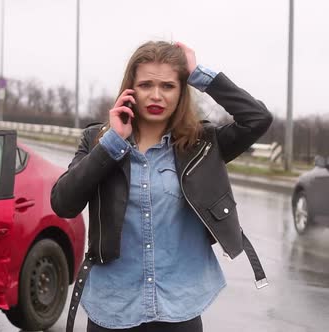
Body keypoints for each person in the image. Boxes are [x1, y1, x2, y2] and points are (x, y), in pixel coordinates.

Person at [51, 41, 272, 332]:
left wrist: (199, 74)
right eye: (146, 85)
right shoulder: (97, 140)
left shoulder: (202, 144)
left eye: (168, 86)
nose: (156, 95)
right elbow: (63, 203)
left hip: (179, 308)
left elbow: (257, 119)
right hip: (113, 306)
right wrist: (113, 143)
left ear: (181, 91)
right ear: (131, 89)